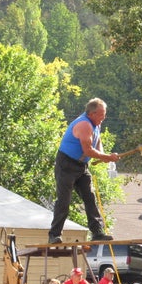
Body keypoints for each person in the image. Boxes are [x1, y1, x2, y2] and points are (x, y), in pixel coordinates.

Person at [48, 98, 120, 244]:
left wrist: (104, 156)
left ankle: (97, 232)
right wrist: (107, 157)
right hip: (66, 164)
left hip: (81, 166)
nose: (104, 118)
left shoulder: (96, 125)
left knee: (90, 197)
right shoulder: (84, 125)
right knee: (64, 200)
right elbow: (87, 150)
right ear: (92, 113)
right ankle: (54, 235)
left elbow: (97, 143)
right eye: (102, 114)